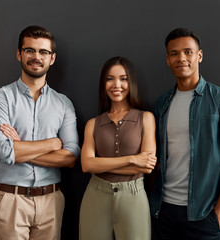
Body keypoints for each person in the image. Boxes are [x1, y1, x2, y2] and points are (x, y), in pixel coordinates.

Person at [149, 28, 220, 239]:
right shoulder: (162, 104)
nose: (181, 58)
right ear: (167, 59)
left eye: (188, 52)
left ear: (199, 55)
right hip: (163, 211)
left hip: (202, 215)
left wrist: (218, 215)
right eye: (174, 53)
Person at [0, 25, 80, 240]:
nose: (36, 57)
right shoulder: (0, 98)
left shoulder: (63, 103)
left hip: (51, 201)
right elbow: (4, 151)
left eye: (43, 52)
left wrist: (20, 147)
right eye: (30, 50)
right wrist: (53, 143)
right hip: (11, 200)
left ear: (52, 58)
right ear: (19, 54)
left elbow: (71, 157)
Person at [79, 56, 156, 240]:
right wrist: (132, 159)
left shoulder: (145, 118)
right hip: (95, 195)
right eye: (109, 79)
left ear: (131, 82)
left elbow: (146, 166)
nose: (116, 85)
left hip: (134, 195)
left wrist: (100, 164)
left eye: (123, 79)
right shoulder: (93, 123)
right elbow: (86, 165)